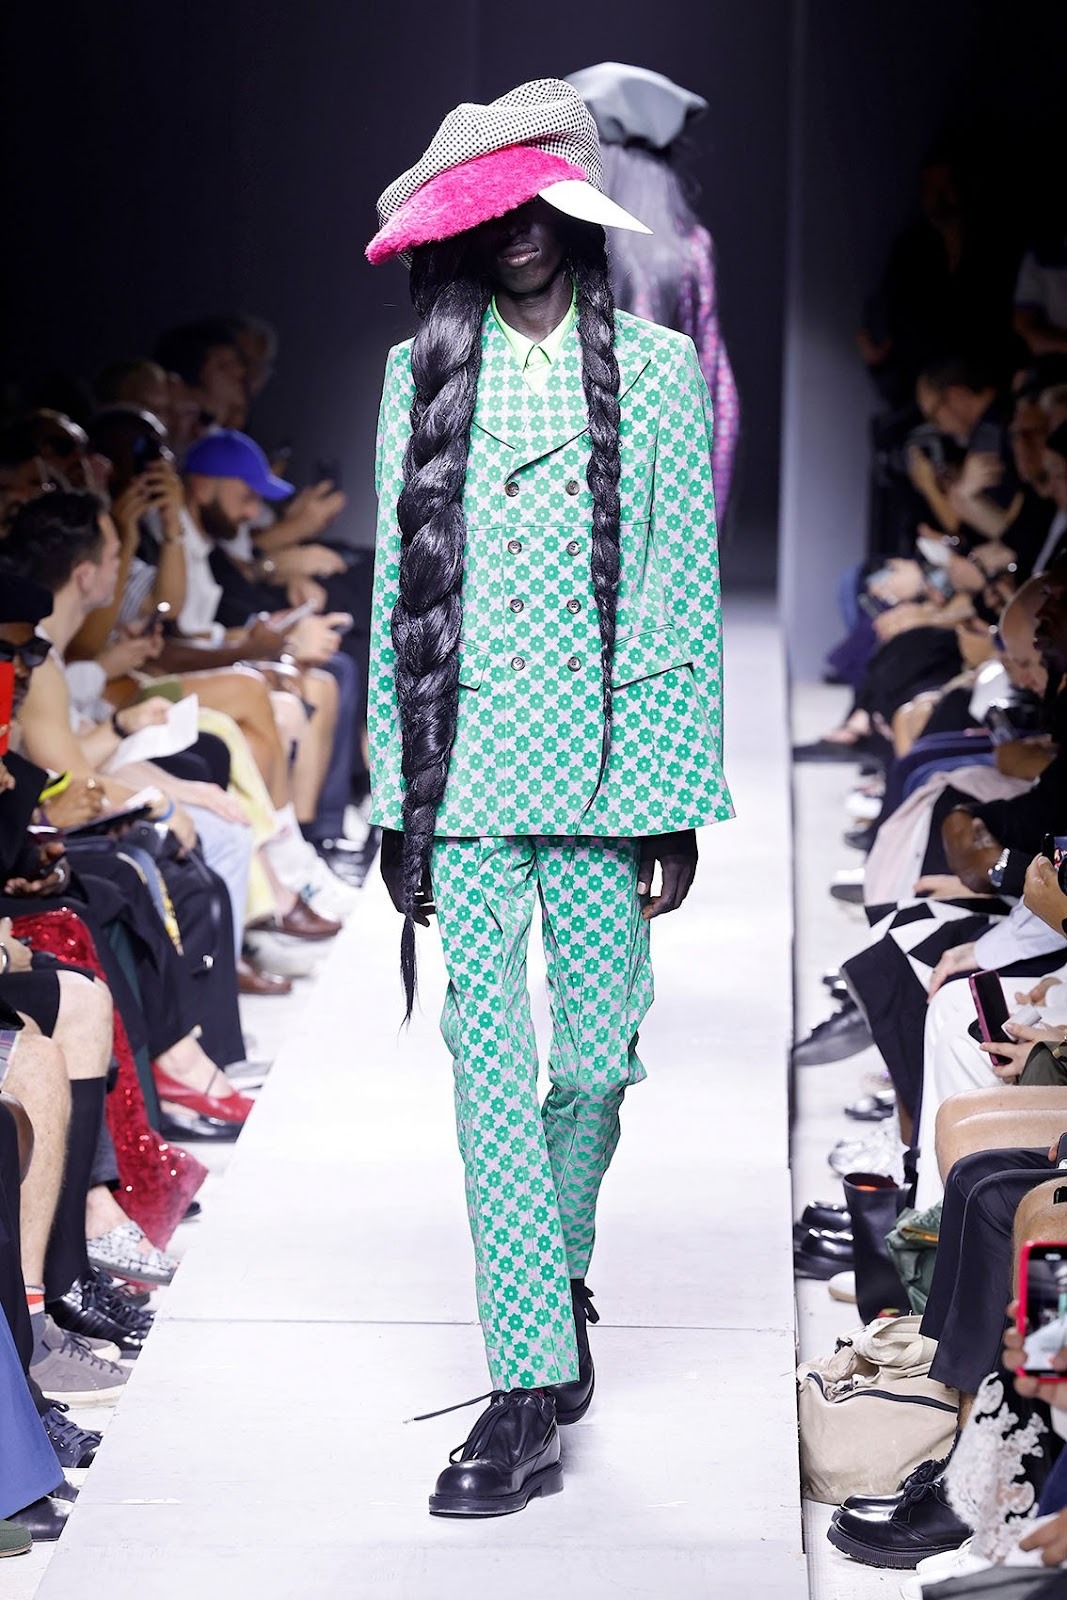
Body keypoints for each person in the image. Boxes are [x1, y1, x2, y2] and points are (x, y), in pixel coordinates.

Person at [365, 77, 732, 1516]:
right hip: (463, 769)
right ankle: (521, 1384)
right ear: (462, 227)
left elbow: (678, 584)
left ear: (575, 209)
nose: (517, 231)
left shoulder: (650, 369)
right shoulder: (418, 374)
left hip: (602, 767)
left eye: (536, 204)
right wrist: (395, 799)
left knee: (593, 1059)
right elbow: (400, 595)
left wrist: (671, 791)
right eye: (491, 210)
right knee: (483, 1067)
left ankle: (551, 1272)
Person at [567, 62, 739, 519]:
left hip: (563, 484)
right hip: (663, 484)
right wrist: (706, 513)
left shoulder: (556, 248)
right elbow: (716, 389)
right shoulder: (690, 250)